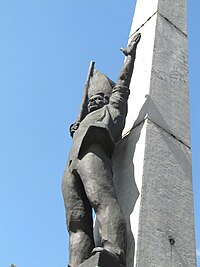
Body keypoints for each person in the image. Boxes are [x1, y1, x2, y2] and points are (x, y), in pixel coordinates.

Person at [62, 33, 141, 267]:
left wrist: (129, 58)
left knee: (101, 198)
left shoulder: (114, 108)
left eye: (100, 96)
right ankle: (77, 261)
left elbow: (123, 85)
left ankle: (114, 249)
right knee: (75, 219)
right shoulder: (83, 120)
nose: (95, 100)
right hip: (72, 161)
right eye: (92, 98)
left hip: (93, 153)